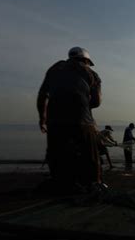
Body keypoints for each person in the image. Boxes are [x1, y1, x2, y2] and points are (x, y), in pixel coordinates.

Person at [37, 47, 102, 191]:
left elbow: (42, 96)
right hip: (82, 120)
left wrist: (42, 118)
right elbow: (97, 102)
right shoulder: (91, 73)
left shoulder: (54, 70)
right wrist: (85, 104)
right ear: (86, 60)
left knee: (57, 154)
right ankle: (95, 183)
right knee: (91, 155)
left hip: (54, 122)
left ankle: (60, 182)